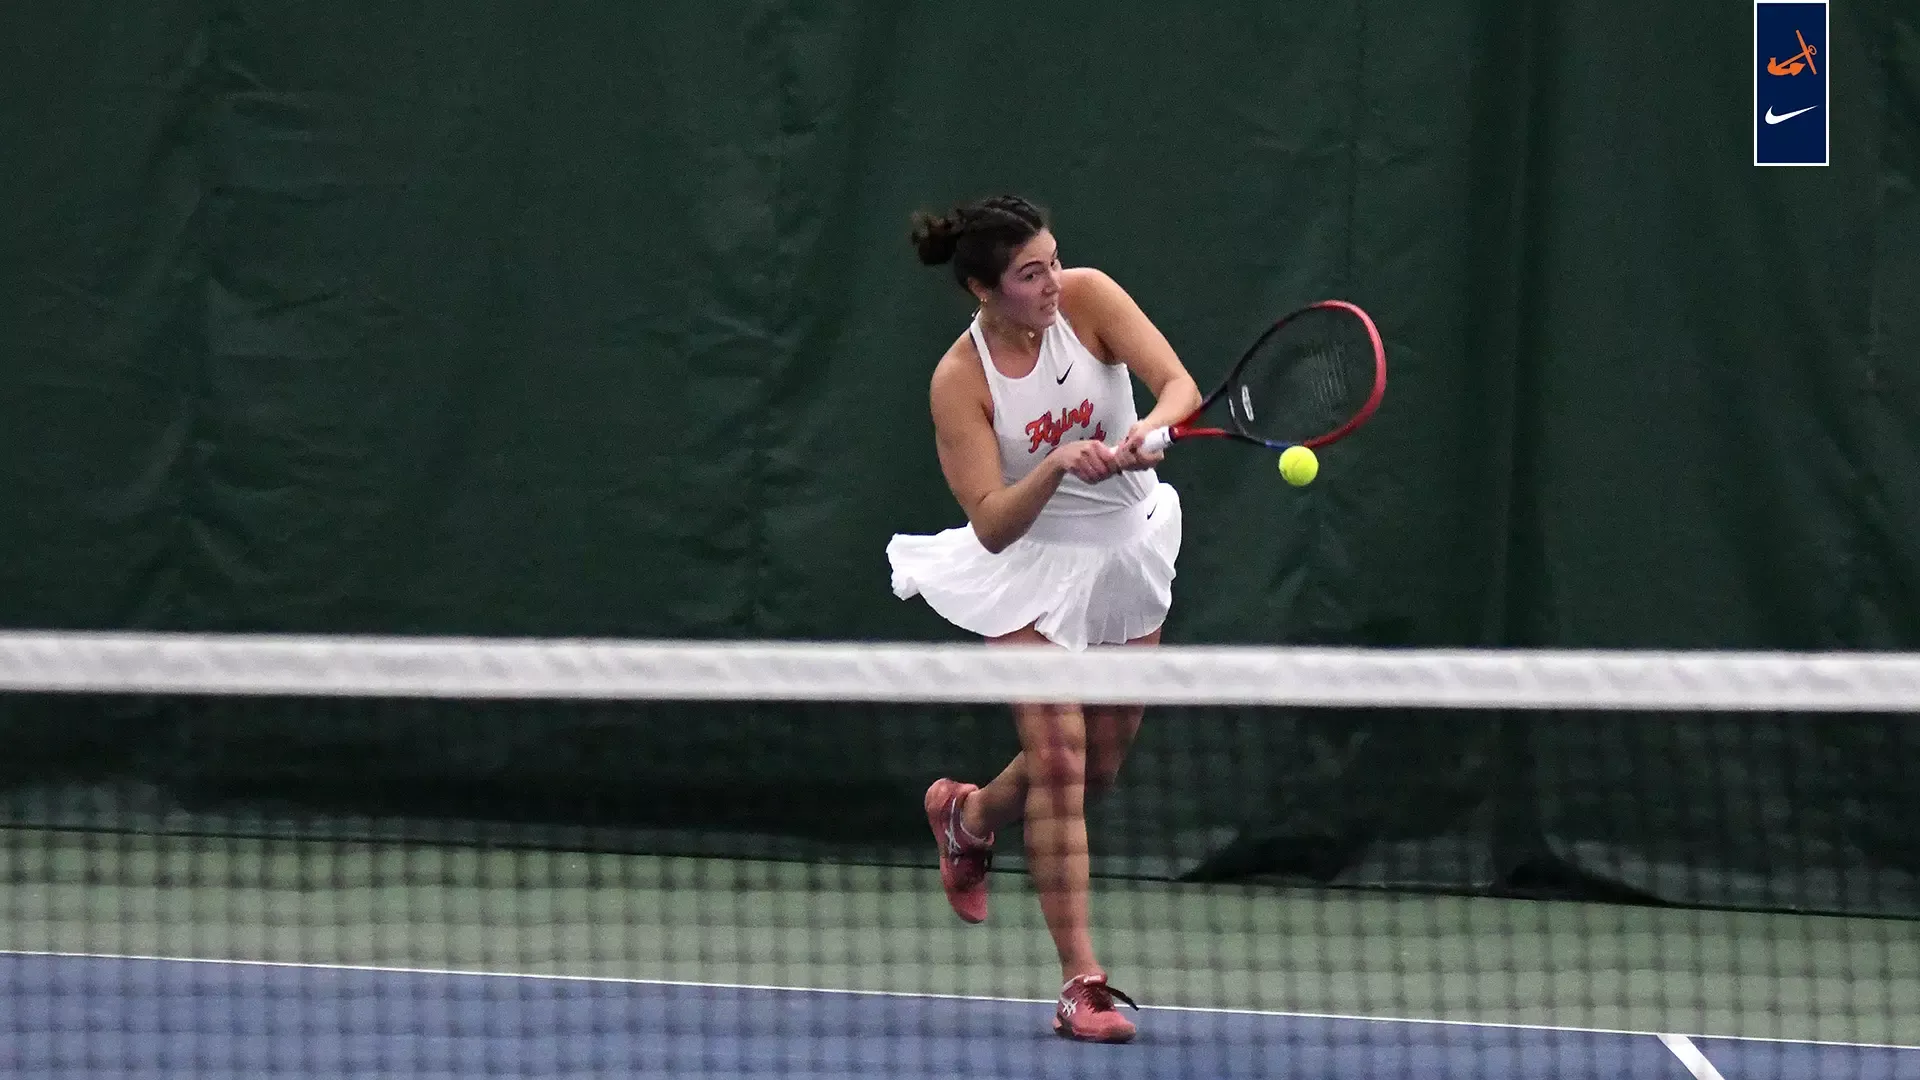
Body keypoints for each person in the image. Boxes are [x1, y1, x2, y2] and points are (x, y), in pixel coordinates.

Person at [886, 194, 1202, 1044]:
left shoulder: (1090, 299)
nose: (1053, 281)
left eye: (1054, 261)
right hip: (1025, 567)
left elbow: (1179, 385)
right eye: (1032, 274)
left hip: (1125, 548)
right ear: (985, 291)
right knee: (1058, 757)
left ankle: (971, 816)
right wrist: (1060, 465)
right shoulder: (961, 380)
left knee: (1095, 766)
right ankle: (1081, 985)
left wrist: (1151, 428)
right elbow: (990, 520)